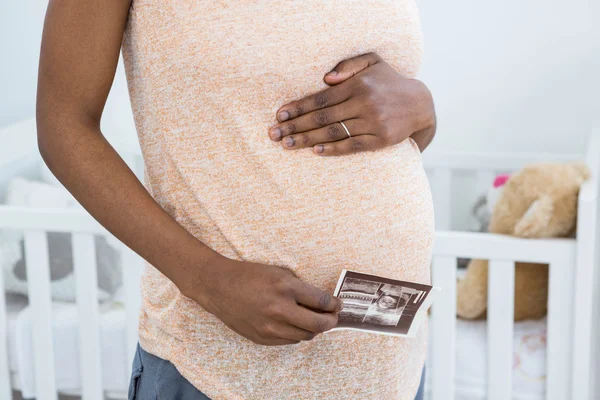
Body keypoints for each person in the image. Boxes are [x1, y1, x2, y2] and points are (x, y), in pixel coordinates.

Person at [36, 1, 436, 399]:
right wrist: (207, 280)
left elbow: (385, 141)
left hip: (392, 372)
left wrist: (423, 112)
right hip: (217, 378)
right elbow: (63, 126)